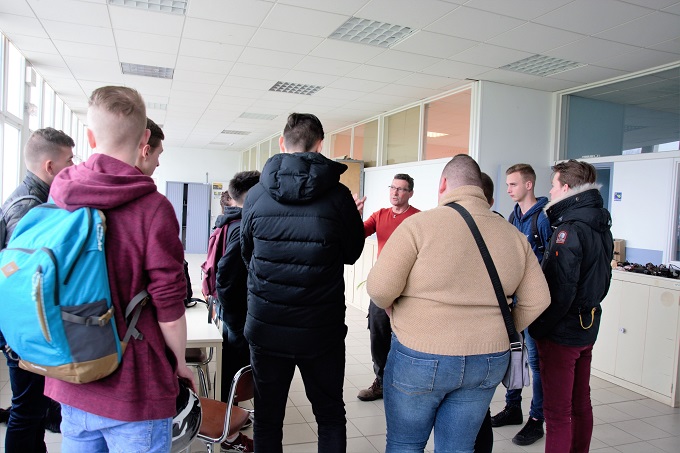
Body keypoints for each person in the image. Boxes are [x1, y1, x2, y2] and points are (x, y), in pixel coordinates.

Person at [45, 86, 194, 452]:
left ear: (90, 137)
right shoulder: (153, 208)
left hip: (73, 376)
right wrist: (180, 363)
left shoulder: (60, 193)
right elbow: (169, 306)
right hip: (133, 385)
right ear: (145, 137)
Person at [366, 154, 550, 452]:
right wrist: (500, 327)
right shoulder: (513, 234)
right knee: (458, 448)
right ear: (480, 187)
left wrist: (396, 312)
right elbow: (539, 298)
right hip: (488, 358)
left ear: (443, 184)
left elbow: (380, 288)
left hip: (421, 353)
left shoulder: (419, 225)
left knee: (405, 444)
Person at [240, 112, 365, 453]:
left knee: (267, 417)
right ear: (320, 145)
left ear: (282, 143)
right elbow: (352, 253)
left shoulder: (255, 196)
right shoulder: (339, 197)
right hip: (320, 330)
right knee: (329, 414)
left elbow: (246, 253)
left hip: (267, 328)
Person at [529, 160, 613, 453]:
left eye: (552, 185)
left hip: (561, 333)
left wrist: (538, 327)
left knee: (557, 412)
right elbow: (605, 278)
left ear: (565, 188)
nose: (549, 192)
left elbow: (560, 290)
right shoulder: (600, 222)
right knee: (580, 405)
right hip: (587, 327)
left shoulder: (569, 229)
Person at [0, 127, 75, 453]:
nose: (72, 167)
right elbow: (24, 278)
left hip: (24, 328)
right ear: (49, 166)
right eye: (68, 161)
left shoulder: (29, 198)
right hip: (25, 331)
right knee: (27, 409)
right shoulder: (29, 207)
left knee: (35, 407)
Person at [491, 163, 552, 446]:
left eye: (513, 184)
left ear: (529, 185)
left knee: (536, 364)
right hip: (514, 301)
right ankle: (512, 407)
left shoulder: (543, 218)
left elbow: (550, 263)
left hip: (534, 304)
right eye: (507, 185)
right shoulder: (514, 216)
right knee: (515, 356)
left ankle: (537, 419)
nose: (508, 189)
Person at [355, 173, 420, 402]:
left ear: (410, 193)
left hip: (409, 289)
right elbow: (358, 234)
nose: (395, 192)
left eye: (401, 189)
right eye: (392, 187)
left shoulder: (418, 219)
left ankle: (406, 384)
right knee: (379, 333)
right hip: (383, 286)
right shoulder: (380, 215)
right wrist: (356, 215)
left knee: (406, 337)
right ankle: (381, 381)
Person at [214, 170, 261, 452]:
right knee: (235, 371)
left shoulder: (226, 220)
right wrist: (236, 317)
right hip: (238, 312)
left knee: (231, 366)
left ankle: (230, 421)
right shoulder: (243, 225)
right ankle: (228, 432)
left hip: (229, 309)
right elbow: (227, 273)